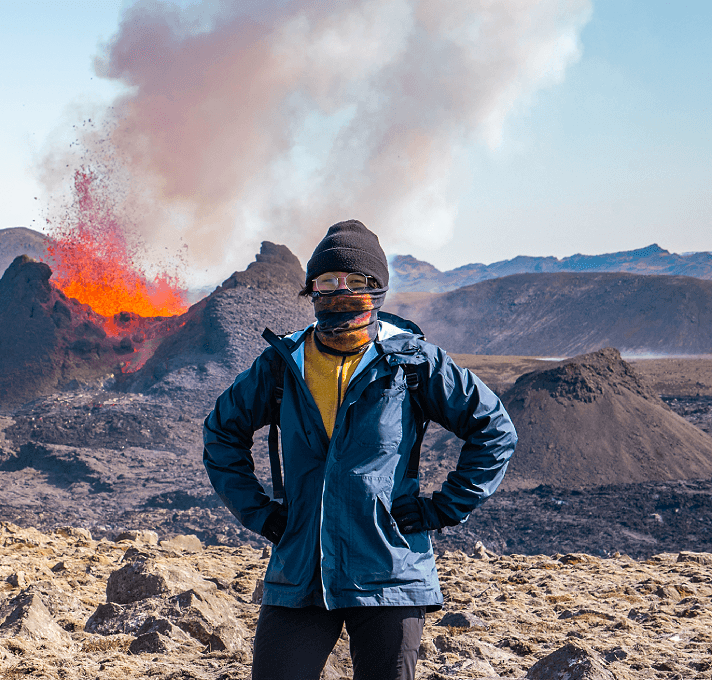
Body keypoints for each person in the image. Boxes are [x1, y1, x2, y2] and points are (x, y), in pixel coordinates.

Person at [202, 219, 517, 680]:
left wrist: (441, 509)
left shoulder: (413, 361)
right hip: (301, 571)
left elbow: (494, 429)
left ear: (378, 288)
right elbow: (221, 433)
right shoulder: (283, 363)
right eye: (327, 281)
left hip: (390, 571)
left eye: (356, 280)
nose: (341, 291)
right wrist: (261, 514)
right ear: (311, 289)